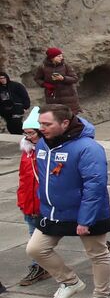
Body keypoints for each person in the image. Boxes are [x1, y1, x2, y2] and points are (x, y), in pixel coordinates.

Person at [28, 104, 110, 298]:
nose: (42, 128)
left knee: (97, 253)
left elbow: (95, 185)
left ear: (64, 123)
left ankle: (101, 297)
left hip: (87, 212)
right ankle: (70, 282)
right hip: (54, 211)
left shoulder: (88, 148)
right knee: (36, 249)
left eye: (47, 124)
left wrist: (85, 220)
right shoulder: (42, 145)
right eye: (40, 124)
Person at [15, 108, 50, 288]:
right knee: (33, 235)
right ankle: (40, 267)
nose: (28, 137)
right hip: (30, 202)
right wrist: (23, 200)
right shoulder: (27, 152)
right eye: (25, 133)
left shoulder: (47, 151)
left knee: (74, 226)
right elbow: (24, 178)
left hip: (47, 202)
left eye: (31, 133)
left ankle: (100, 244)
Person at [35, 47, 80, 113]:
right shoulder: (43, 67)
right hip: (53, 97)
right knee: (56, 116)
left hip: (68, 98)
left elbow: (75, 78)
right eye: (58, 56)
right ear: (52, 57)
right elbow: (37, 79)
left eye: (61, 56)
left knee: (69, 116)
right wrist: (45, 85)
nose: (61, 58)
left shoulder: (65, 66)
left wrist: (63, 78)